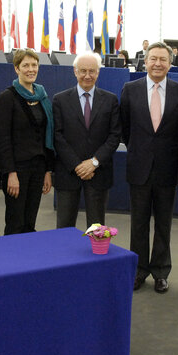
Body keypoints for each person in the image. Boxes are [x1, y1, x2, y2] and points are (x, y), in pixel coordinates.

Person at [121, 42, 178, 293]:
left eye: (163, 59)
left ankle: (161, 271)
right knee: (138, 223)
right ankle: (139, 270)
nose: (158, 63)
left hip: (167, 168)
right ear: (145, 62)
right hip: (139, 167)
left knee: (164, 223)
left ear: (170, 63)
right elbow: (125, 129)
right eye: (153, 59)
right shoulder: (130, 89)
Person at [53, 53, 121, 229]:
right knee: (64, 226)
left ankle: (96, 256)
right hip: (68, 173)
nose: (87, 75)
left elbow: (114, 136)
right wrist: (78, 166)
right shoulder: (60, 100)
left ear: (98, 73)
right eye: (83, 71)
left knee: (97, 227)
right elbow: (57, 136)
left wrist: (94, 163)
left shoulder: (110, 100)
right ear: (75, 72)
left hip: (99, 173)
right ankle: (65, 258)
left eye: (92, 71)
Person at [0, 49, 54, 234]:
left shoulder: (43, 97)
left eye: (34, 65)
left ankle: (29, 261)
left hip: (38, 167)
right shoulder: (7, 97)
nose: (31, 69)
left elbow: (46, 137)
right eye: (25, 65)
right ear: (16, 69)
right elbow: (3, 139)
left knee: (30, 221)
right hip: (16, 170)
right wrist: (10, 173)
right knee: (15, 221)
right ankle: (12, 261)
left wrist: (47, 171)